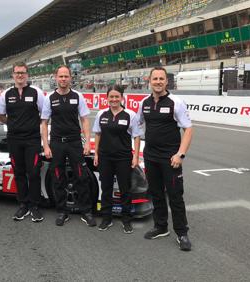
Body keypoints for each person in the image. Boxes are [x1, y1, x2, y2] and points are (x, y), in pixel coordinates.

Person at [137, 66, 193, 251]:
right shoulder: (144, 103)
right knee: (156, 194)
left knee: (176, 196)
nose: (158, 82)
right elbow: (136, 125)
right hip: (150, 157)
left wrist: (180, 154)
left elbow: (188, 129)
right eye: (155, 79)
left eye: (162, 79)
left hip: (171, 159)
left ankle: (182, 232)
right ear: (149, 81)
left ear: (166, 81)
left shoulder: (176, 102)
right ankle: (161, 227)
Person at [41, 65, 96, 227]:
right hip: (57, 143)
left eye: (66, 76)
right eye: (61, 76)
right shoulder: (49, 98)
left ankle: (86, 211)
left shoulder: (78, 96)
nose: (63, 79)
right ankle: (62, 211)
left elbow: (85, 119)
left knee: (82, 176)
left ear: (70, 78)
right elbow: (44, 123)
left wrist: (87, 141)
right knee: (58, 177)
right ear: (56, 78)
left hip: (74, 143)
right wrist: (46, 146)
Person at [0, 62, 45, 222]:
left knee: (33, 173)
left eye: (23, 73)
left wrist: (31, 125)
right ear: (13, 75)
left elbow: (44, 115)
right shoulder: (6, 94)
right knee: (19, 173)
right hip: (14, 139)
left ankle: (35, 206)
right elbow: (1, 115)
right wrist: (14, 124)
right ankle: (23, 205)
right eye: (17, 73)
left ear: (27, 75)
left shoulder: (36, 92)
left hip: (32, 139)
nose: (20, 75)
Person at [92, 84, 142, 234]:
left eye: (116, 96)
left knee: (124, 189)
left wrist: (136, 156)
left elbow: (137, 136)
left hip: (123, 158)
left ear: (122, 98)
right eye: (111, 97)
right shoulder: (101, 114)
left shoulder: (130, 115)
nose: (114, 99)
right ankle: (106, 218)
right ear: (107, 98)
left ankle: (126, 220)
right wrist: (96, 154)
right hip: (105, 157)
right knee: (106, 189)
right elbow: (98, 134)